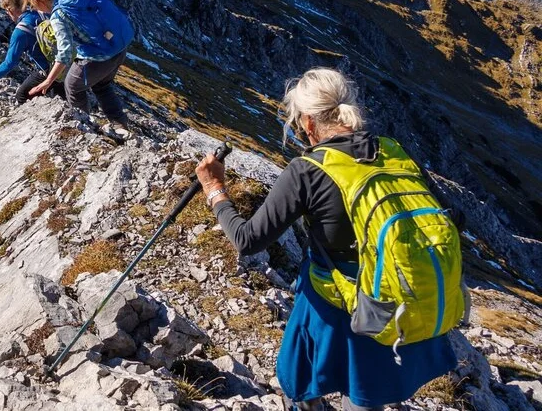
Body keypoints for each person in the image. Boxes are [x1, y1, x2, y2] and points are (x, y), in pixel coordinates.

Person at [195, 68, 460, 411]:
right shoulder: (394, 151)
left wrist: (215, 190)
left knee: (298, 376)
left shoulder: (308, 170)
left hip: (338, 301)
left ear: (307, 122)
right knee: (366, 393)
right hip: (398, 292)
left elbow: (248, 240)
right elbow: (452, 217)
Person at [23, 0, 134, 125]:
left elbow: (65, 52)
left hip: (100, 56)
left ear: (40, 0)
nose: (35, 9)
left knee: (72, 86)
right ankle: (121, 125)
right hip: (120, 46)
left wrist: (48, 80)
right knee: (102, 85)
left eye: (33, 4)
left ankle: (83, 124)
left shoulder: (58, 15)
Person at [0, 0, 65, 104]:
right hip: (62, 64)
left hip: (46, 69)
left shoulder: (20, 31)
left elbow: (10, 63)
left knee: (22, 95)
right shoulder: (41, 14)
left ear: (10, 10)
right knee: (63, 96)